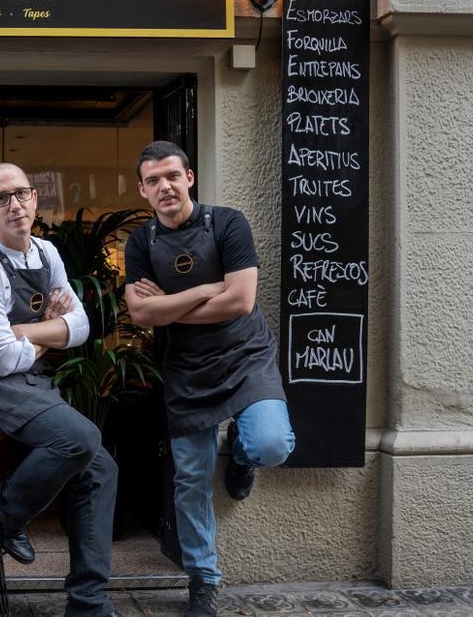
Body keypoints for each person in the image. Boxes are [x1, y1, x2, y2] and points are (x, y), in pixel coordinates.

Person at [124, 141, 296, 617]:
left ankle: (241, 455)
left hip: (246, 356)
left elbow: (240, 301)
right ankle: (204, 578)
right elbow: (140, 313)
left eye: (172, 176)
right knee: (192, 478)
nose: (164, 187)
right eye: (153, 180)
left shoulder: (228, 223)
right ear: (143, 189)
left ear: (189, 178)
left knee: (271, 445)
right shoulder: (141, 244)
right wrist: (204, 289)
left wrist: (170, 307)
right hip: (188, 369)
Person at [0, 162, 120, 617]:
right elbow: (0, 359)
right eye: (1, 199)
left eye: (21, 194)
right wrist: (48, 328)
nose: (14, 205)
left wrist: (27, 330)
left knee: (102, 469)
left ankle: (87, 602)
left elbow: (82, 327)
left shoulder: (48, 253)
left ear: (34, 199)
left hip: (25, 375)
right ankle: (4, 508)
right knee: (80, 438)